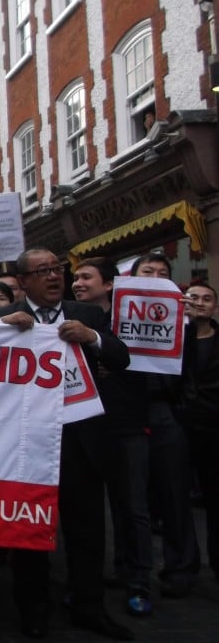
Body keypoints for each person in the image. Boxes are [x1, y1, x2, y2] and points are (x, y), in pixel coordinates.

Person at [0, 247, 132, 641]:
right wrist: (1, 325)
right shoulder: (1, 318)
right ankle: (33, 611)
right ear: (22, 282)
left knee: (86, 532)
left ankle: (90, 608)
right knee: (30, 533)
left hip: (81, 444)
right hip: (27, 444)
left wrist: (94, 339)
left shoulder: (87, 314)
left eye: (57, 269)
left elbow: (122, 357)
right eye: (42, 271)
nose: (54, 276)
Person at [72, 257, 153, 616]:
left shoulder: (130, 321)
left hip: (125, 425)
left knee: (132, 509)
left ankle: (137, 580)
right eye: (75, 277)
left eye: (86, 277)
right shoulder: (64, 320)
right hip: (84, 429)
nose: (77, 283)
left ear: (109, 284)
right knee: (84, 513)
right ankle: (87, 583)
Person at [129, 253, 200, 597]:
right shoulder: (117, 314)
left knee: (174, 493)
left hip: (163, 410)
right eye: (148, 272)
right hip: (127, 413)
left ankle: (181, 568)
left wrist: (188, 325)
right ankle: (132, 570)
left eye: (163, 273)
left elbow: (193, 373)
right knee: (131, 500)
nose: (156, 277)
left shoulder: (182, 320)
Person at [179, 284, 219, 584]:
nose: (200, 304)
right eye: (194, 298)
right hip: (182, 424)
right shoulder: (178, 339)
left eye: (207, 299)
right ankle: (184, 564)